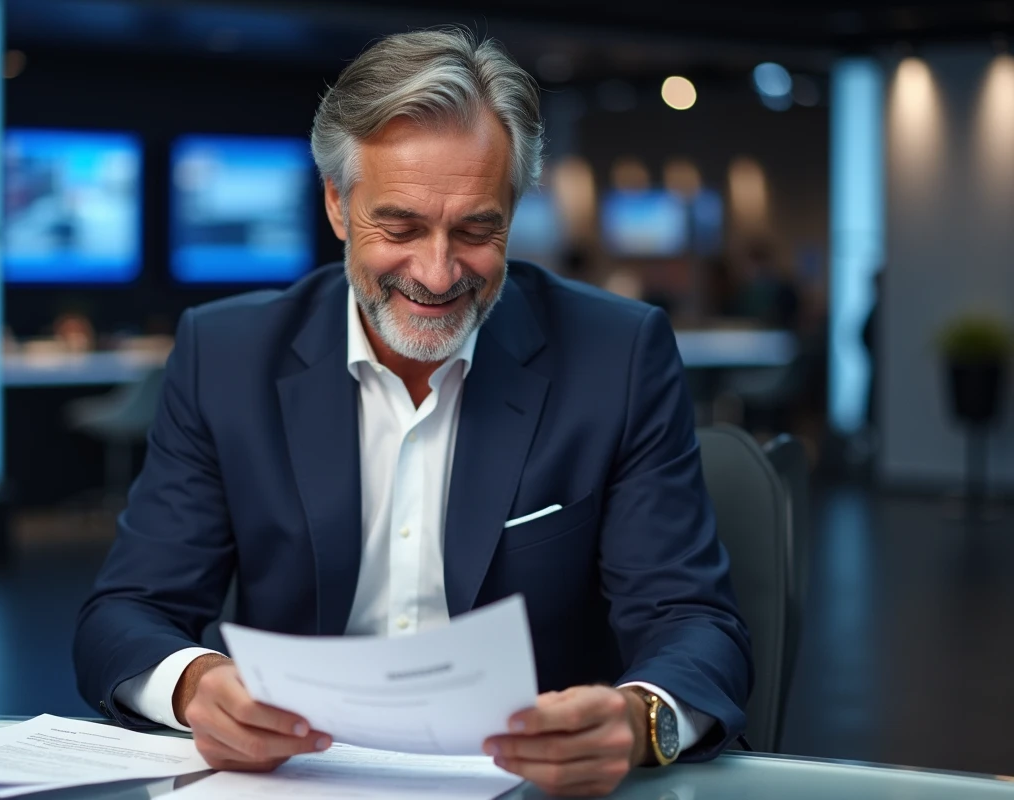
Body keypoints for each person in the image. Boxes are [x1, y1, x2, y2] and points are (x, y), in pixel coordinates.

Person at [75, 29, 750, 798]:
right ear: (337, 203)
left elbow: (696, 625)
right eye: (398, 228)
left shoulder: (617, 356)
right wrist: (196, 684)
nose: (436, 273)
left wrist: (635, 720)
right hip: (297, 782)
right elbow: (124, 615)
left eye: (476, 230)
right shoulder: (225, 355)